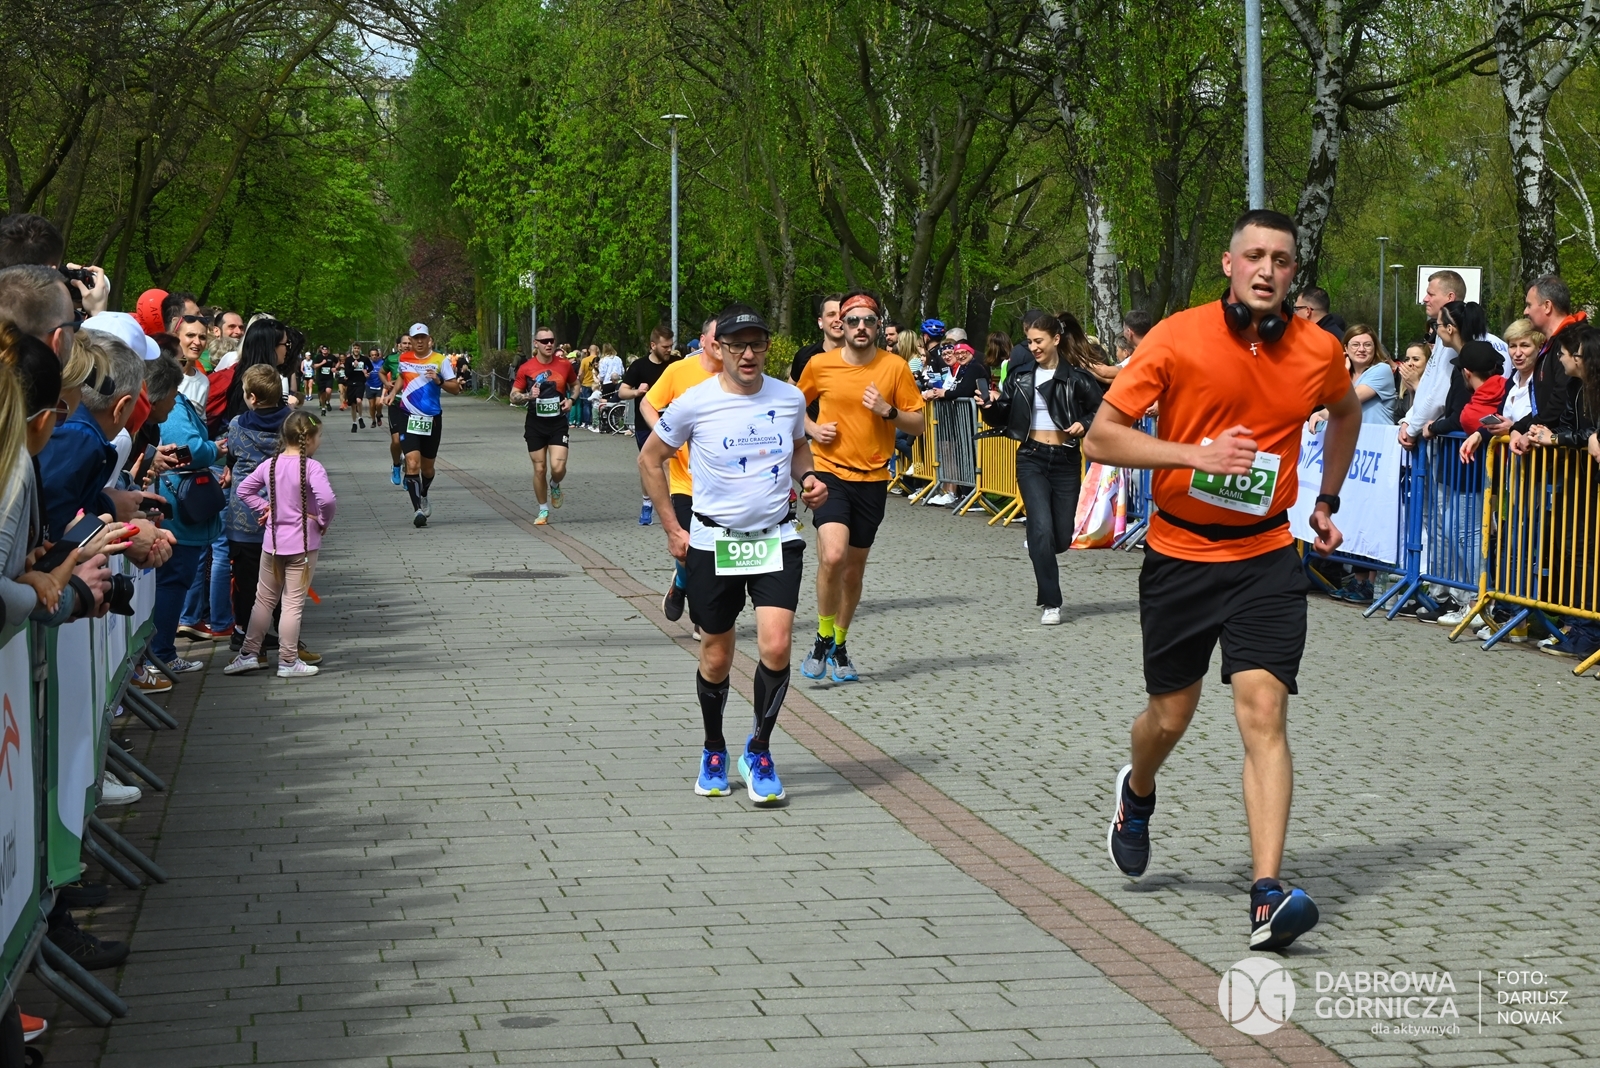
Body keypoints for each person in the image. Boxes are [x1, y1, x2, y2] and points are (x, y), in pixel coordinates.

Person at [1082, 209, 1360, 951]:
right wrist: (1193, 455)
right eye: (1255, 256)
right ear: (1228, 265)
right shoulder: (1178, 336)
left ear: (1294, 273)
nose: (1268, 270)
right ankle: (1137, 790)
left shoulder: (1318, 349)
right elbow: (1100, 437)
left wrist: (1327, 499)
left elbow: (1344, 414)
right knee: (1170, 717)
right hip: (1180, 556)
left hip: (1266, 557)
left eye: (1282, 260)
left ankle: (1267, 894)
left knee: (1264, 712)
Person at [637, 304, 828, 802]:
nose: (747, 354)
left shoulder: (788, 397)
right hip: (712, 541)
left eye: (756, 344)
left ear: (767, 348)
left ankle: (759, 750)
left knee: (777, 646)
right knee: (717, 655)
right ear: (718, 348)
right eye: (737, 345)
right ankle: (714, 748)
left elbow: (798, 447)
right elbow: (650, 460)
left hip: (775, 537)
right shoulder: (694, 402)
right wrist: (672, 528)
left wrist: (808, 477)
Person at [795, 289, 926, 683]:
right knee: (833, 556)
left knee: (853, 571)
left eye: (869, 320)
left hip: (872, 478)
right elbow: (791, 406)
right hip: (829, 472)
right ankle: (822, 636)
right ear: (842, 325)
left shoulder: (894, 367)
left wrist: (888, 411)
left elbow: (918, 423)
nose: (861, 327)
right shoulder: (820, 365)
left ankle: (839, 643)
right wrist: (812, 428)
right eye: (853, 320)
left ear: (878, 326)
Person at [978, 313, 1103, 624]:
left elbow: (1100, 409)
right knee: (1041, 527)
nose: (1033, 347)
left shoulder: (1077, 377)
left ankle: (1038, 543)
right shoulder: (1020, 377)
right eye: (1029, 342)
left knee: (1060, 538)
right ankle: (1051, 602)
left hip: (1065, 460)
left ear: (1055, 340)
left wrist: (1084, 423)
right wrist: (989, 407)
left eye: (1038, 341)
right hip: (1031, 457)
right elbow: (1003, 415)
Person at [225, 410, 335, 678]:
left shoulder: (270, 465)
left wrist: (265, 507)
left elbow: (243, 490)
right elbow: (327, 500)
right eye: (319, 436)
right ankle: (288, 660)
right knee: (292, 603)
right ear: (309, 438)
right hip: (303, 544)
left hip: (272, 543)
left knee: (263, 600)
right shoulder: (312, 467)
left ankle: (249, 654)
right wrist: (322, 521)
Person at [643, 318, 723, 632]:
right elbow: (648, 404)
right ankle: (682, 583)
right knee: (691, 551)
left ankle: (702, 616)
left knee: (714, 556)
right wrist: (666, 435)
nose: (722, 342)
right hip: (685, 482)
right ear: (703, 340)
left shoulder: (739, 375)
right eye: (717, 336)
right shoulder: (679, 371)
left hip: (724, 487)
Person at [222, 364, 292, 655]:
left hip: (245, 515)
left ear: (251, 397)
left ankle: (246, 634)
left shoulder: (237, 425)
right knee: (283, 579)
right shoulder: (292, 423)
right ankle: (285, 632)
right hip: (283, 513)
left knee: (247, 581)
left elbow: (232, 454)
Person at [509, 326, 575, 525]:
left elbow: (576, 385)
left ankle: (555, 483)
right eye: (544, 341)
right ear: (536, 344)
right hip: (535, 424)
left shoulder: (564, 365)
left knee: (558, 467)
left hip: (557, 422)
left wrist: (571, 400)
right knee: (539, 469)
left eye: (551, 340)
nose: (549, 344)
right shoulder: (526, 368)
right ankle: (543, 510)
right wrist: (528, 396)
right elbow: (513, 395)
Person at [397, 323, 460, 526]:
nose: (419, 341)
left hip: (431, 418)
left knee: (428, 468)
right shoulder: (404, 358)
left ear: (429, 339)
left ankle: (423, 493)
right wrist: (391, 393)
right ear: (411, 340)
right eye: (416, 338)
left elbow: (455, 389)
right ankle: (417, 510)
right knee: (412, 462)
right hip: (407, 415)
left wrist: (439, 381)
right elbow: (402, 378)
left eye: (422, 337)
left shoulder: (440, 360)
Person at [620, 325, 677, 524]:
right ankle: (647, 503)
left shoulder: (675, 365)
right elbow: (622, 392)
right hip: (645, 425)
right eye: (665, 347)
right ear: (653, 345)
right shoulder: (639, 366)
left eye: (670, 346)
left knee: (669, 462)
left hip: (672, 424)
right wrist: (637, 392)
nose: (669, 350)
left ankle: (672, 506)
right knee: (649, 463)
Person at [788, 294, 846, 403]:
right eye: (831, 314)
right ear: (820, 322)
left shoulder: (859, 358)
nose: (838, 319)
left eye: (842, 315)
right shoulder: (804, 355)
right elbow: (789, 393)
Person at [382, 333, 411, 485]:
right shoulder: (392, 359)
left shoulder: (418, 360)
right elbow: (381, 372)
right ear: (399, 345)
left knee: (410, 442)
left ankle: (410, 474)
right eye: (404, 343)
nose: (407, 346)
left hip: (413, 406)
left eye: (409, 343)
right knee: (397, 441)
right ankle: (396, 465)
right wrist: (387, 384)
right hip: (396, 404)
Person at [342, 346, 372, 432]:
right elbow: (347, 373)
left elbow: (371, 367)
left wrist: (366, 371)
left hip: (360, 382)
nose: (356, 350)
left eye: (358, 348)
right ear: (352, 349)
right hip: (351, 383)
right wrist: (354, 366)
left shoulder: (364, 359)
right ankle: (354, 423)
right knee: (353, 405)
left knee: (359, 400)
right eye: (355, 348)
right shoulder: (348, 360)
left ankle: (360, 417)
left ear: (360, 349)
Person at [365, 347, 386, 428]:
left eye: (375, 355)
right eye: (372, 355)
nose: (374, 356)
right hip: (369, 385)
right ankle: (373, 420)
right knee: (372, 405)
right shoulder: (366, 363)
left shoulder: (382, 363)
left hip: (379, 385)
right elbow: (363, 372)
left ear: (378, 355)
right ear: (369, 356)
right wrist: (365, 375)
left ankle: (379, 414)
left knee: (379, 403)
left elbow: (386, 372)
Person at [313, 345, 337, 414]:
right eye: (323, 349)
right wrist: (322, 363)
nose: (325, 350)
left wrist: (335, 368)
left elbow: (338, 362)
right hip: (321, 378)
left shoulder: (331, 357)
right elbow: (315, 366)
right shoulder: (318, 357)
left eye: (326, 349)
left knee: (328, 391)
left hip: (329, 377)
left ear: (328, 350)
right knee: (322, 393)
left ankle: (327, 402)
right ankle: (323, 408)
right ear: (321, 350)